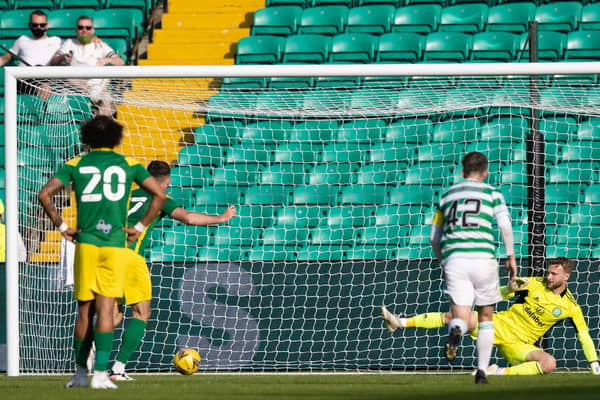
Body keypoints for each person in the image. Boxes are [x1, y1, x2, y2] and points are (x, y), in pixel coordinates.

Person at [38, 116, 166, 389]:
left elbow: (44, 194)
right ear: (117, 138)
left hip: (86, 243)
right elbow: (159, 195)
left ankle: (79, 374)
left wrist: (61, 226)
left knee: (84, 310)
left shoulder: (76, 164)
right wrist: (140, 227)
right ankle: (100, 375)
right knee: (107, 308)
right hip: (115, 244)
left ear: (86, 138)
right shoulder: (128, 164)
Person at [107, 160, 237, 381]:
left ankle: (91, 352)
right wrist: (221, 218)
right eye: (168, 183)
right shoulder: (160, 199)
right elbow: (187, 217)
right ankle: (118, 369)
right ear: (165, 181)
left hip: (106, 256)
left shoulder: (126, 197)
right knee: (141, 313)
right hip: (130, 257)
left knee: (113, 315)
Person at [381, 257, 600, 376]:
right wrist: (511, 288)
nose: (549, 276)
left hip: (520, 344)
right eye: (548, 272)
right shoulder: (535, 283)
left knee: (549, 363)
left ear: (567, 276)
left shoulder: (571, 307)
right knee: (458, 317)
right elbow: (503, 293)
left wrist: (594, 362)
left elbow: (584, 335)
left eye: (554, 274)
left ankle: (498, 372)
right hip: (496, 324)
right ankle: (399, 322)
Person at [412, 151, 516, 383]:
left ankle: (455, 331)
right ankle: (481, 371)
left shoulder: (447, 195)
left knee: (460, 315)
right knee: (486, 315)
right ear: (486, 172)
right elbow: (505, 226)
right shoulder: (492, 193)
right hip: (483, 257)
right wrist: (511, 256)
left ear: (462, 171)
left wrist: (443, 261)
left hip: (455, 259)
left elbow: (433, 237)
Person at [49, 15, 124, 116]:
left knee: (106, 100)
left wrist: (108, 59)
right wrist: (62, 57)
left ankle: (100, 127)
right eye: (81, 27)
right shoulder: (69, 43)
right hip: (75, 88)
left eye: (88, 28)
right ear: (76, 30)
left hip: (98, 87)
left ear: (92, 30)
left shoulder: (100, 45)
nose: (84, 30)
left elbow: (120, 62)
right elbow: (53, 62)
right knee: (66, 72)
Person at [0, 10, 62, 100]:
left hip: (49, 80)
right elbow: (5, 58)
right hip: (24, 82)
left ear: (47, 26)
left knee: (40, 69)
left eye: (42, 25)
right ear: (29, 25)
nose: (38, 27)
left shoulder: (56, 41)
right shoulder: (22, 40)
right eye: (35, 25)